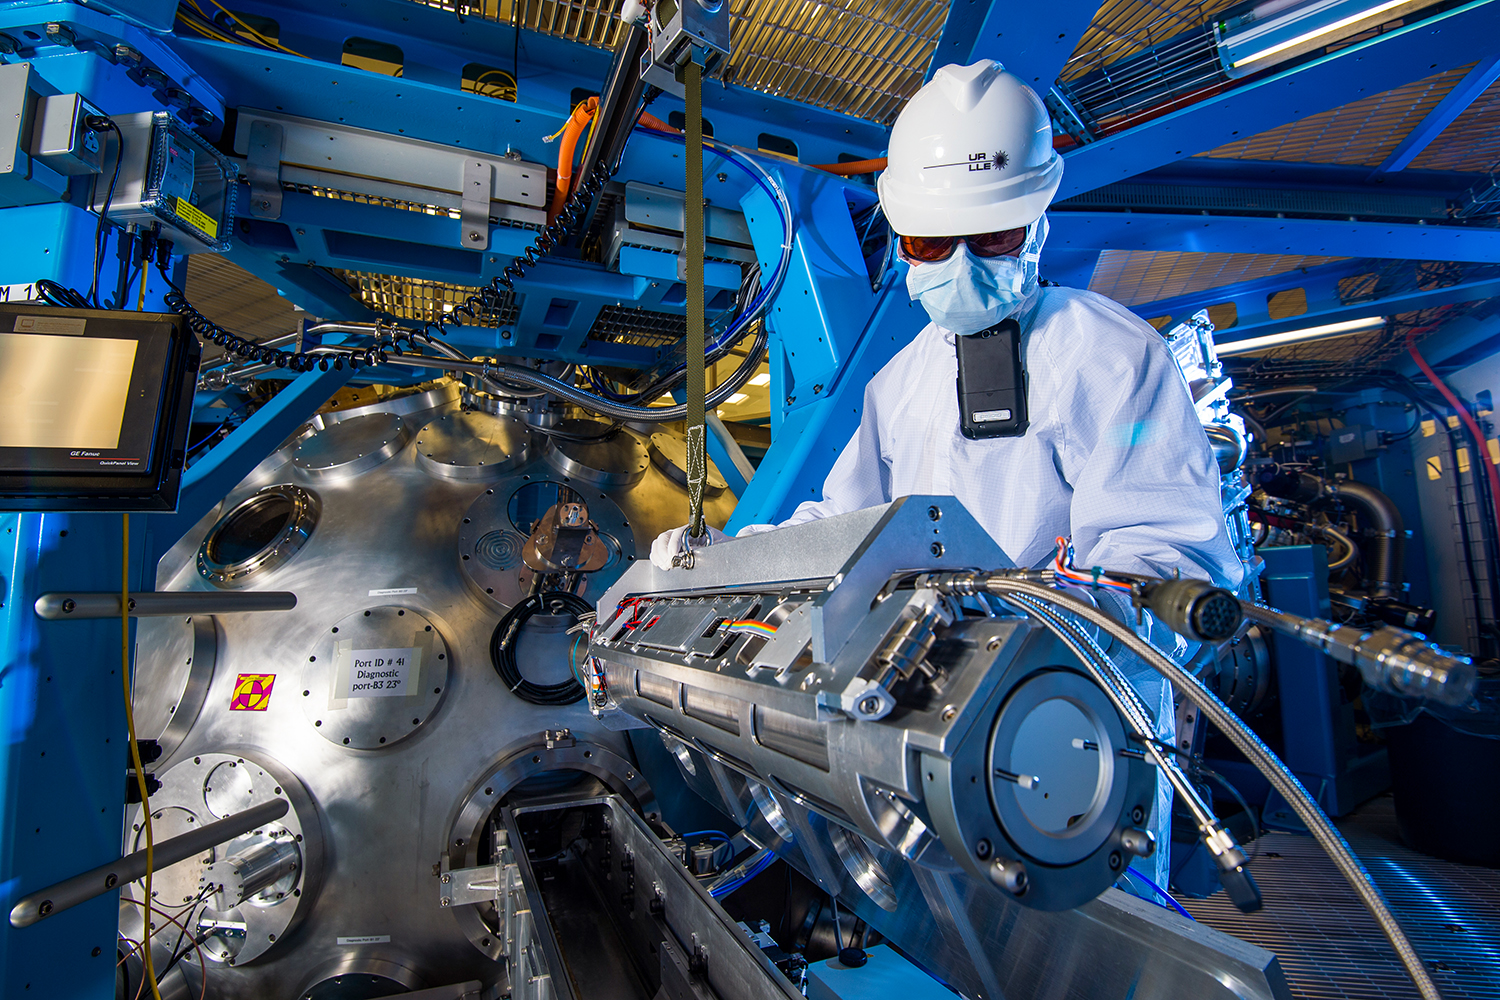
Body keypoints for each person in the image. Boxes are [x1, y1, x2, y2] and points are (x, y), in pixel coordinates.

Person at [651, 60, 1244, 893]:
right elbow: (846, 524)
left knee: (1088, 933)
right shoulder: (902, 380)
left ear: (1036, 224)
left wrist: (1031, 618)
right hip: (926, 715)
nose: (960, 265)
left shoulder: (1110, 356)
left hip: (1072, 728)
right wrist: (730, 558)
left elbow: (1166, 561)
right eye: (932, 244)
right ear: (903, 241)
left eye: (992, 238)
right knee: (954, 923)